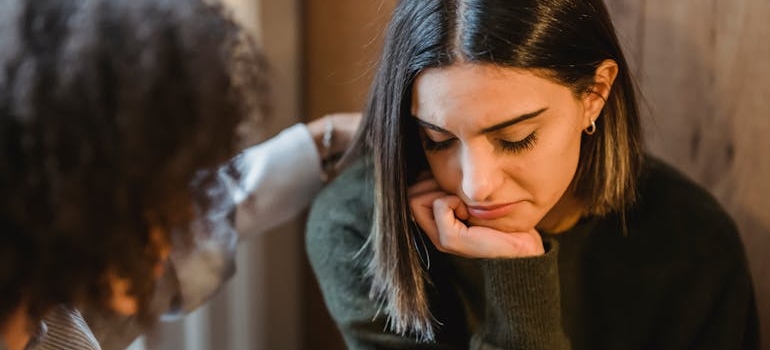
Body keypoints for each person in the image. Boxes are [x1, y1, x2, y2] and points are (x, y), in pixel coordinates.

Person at [306, 0, 759, 349]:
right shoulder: (361, 229)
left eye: (517, 137)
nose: (474, 185)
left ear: (595, 94)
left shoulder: (692, 242)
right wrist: (518, 272)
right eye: (438, 140)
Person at [0, 0, 359, 349]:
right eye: (162, 204)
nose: (182, 225)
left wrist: (326, 141)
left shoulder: (54, 294)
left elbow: (215, 219)